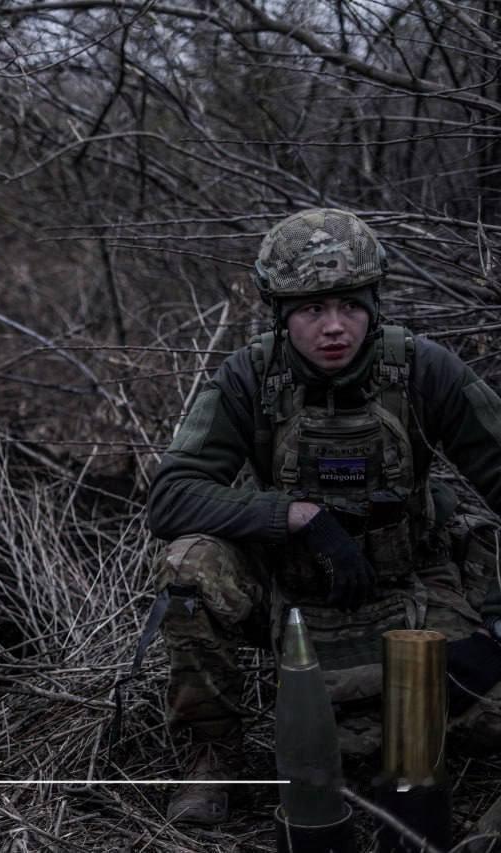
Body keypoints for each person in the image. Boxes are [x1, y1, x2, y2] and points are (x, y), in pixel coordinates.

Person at [147, 208, 501, 825]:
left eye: (350, 307)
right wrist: (296, 515)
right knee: (189, 569)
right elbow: (171, 496)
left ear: (374, 304)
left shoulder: (422, 368)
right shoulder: (251, 377)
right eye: (312, 311)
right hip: (293, 589)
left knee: (474, 722)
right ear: (282, 316)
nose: (334, 327)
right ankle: (211, 762)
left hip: (410, 586)